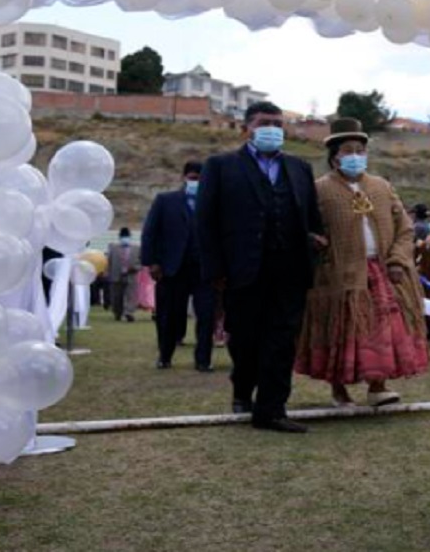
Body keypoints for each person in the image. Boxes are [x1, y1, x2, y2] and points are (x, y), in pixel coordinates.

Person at [197, 102, 327, 434]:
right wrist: (215, 270)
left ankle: (272, 409)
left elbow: (312, 216)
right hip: (242, 269)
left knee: (282, 339)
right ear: (247, 128)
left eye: (278, 123)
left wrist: (315, 238)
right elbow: (206, 222)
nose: (273, 129)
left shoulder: (299, 168)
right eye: (265, 122)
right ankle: (242, 388)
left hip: (290, 268)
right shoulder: (220, 166)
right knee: (245, 338)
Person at [295, 118, 430, 408]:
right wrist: (314, 242)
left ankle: (378, 386)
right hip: (337, 274)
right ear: (335, 157)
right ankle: (339, 389)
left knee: (383, 328)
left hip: (381, 272)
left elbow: (404, 228)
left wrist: (397, 260)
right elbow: (304, 226)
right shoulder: (318, 190)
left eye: (360, 150)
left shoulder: (382, 186)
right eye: (348, 150)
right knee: (341, 330)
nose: (355, 156)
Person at [141, 161, 217, 372]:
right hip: (172, 269)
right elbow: (150, 232)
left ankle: (203, 360)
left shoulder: (214, 202)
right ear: (184, 178)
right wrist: (152, 262)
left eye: (201, 179)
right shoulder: (165, 201)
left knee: (206, 316)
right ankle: (165, 355)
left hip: (204, 270)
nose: (196, 182)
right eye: (193, 178)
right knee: (169, 316)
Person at [106, 228, 141, 322]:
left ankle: (129, 313)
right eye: (123, 237)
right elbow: (109, 262)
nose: (125, 238)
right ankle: (117, 312)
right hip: (116, 275)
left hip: (131, 275)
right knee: (116, 296)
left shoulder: (137, 248)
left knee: (131, 295)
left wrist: (135, 268)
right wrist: (108, 274)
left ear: (130, 237)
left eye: (126, 236)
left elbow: (141, 262)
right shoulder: (113, 248)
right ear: (119, 237)